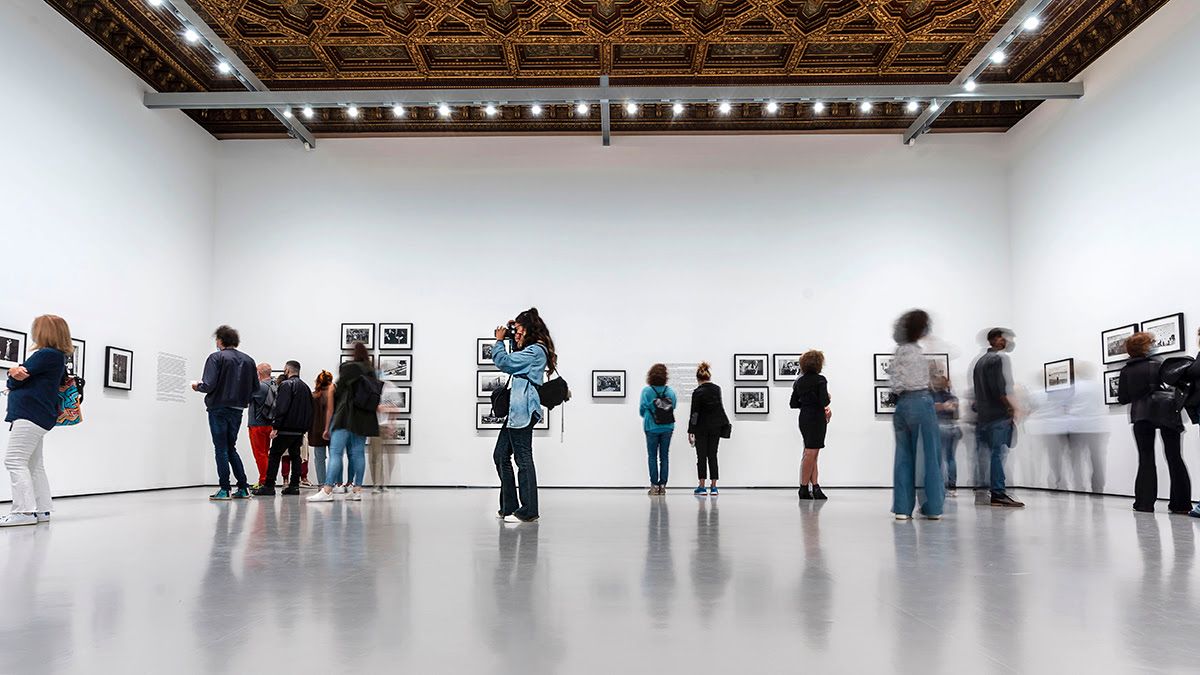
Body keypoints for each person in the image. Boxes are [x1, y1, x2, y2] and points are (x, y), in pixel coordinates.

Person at [1, 315, 70, 527]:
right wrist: (15, 373)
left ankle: (23, 512)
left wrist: (12, 373)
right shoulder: (57, 357)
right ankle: (42, 510)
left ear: (44, 332)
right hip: (40, 416)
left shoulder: (46, 354)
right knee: (34, 464)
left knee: (14, 460)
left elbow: (16, 379)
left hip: (30, 414)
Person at [491, 308, 556, 523]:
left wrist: (499, 341)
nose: (515, 333)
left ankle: (529, 510)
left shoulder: (536, 351)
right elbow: (515, 357)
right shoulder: (530, 350)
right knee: (500, 455)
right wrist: (512, 337)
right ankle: (510, 506)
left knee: (523, 459)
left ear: (528, 328)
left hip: (523, 410)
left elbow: (506, 363)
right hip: (515, 411)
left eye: (519, 329)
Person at [1117, 332, 1190, 513]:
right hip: (1167, 413)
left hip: (1141, 415)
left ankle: (1144, 503)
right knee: (1174, 457)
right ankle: (1180, 505)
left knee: (1146, 458)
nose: (1154, 345)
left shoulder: (1126, 370)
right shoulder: (1160, 365)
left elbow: (1123, 398)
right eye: (1152, 342)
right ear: (1145, 347)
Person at [889, 310, 945, 520]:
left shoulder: (899, 352)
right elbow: (925, 382)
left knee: (903, 457)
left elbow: (896, 384)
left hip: (902, 406)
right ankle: (932, 507)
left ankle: (902, 509)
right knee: (929, 456)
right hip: (921, 403)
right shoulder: (918, 354)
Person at [192, 325, 259, 501]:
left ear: (220, 340)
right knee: (230, 448)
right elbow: (255, 388)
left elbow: (209, 384)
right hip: (237, 409)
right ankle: (243, 488)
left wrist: (197, 386)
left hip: (218, 408)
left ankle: (224, 488)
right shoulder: (249, 360)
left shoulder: (216, 358)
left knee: (221, 448)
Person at [308, 344, 379, 503]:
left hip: (344, 417)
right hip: (363, 419)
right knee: (358, 453)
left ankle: (327, 490)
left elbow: (336, 394)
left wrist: (327, 427)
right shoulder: (371, 370)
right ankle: (357, 490)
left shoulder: (347, 367)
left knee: (336, 453)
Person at [972, 327, 1024, 508]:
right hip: (997, 416)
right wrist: (1014, 407)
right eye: (1004, 338)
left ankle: (982, 494)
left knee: (983, 455)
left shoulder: (979, 362)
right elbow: (1000, 389)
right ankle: (998, 494)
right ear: (994, 339)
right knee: (998, 454)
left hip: (983, 417)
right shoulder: (999, 359)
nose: (1007, 342)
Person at [253, 361, 313, 496]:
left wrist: (276, 426)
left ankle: (269, 485)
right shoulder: (305, 387)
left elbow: (281, 407)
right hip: (299, 430)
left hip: (285, 428)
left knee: (274, 455)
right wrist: (305, 428)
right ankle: (294, 486)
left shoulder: (286, 385)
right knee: (295, 456)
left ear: (287, 369)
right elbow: (310, 409)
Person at [791, 350, 832, 500]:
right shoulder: (820, 379)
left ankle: (815, 487)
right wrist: (827, 397)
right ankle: (803, 488)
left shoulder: (799, 381)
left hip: (804, 417)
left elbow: (793, 403)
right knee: (811, 453)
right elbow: (824, 401)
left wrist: (807, 400)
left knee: (812, 453)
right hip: (816, 418)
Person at [688, 362, 729, 496]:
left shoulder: (697, 392)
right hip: (716, 427)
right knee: (713, 455)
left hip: (701, 428)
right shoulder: (717, 389)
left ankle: (701, 486)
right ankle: (714, 487)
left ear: (698, 379)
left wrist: (690, 430)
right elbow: (719, 407)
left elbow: (695, 413)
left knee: (701, 457)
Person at [639, 363, 677, 496]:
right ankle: (663, 486)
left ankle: (654, 486)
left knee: (652, 456)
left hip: (651, 427)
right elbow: (674, 406)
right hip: (668, 427)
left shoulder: (646, 391)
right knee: (664, 456)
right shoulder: (670, 391)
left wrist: (651, 412)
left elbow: (642, 410)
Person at [932, 374, 962, 497]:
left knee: (939, 458)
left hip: (940, 427)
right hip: (954, 427)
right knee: (950, 458)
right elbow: (957, 415)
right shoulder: (952, 398)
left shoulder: (931, 397)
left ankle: (941, 485)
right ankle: (952, 487)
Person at [247, 363, 274, 489]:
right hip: (268, 425)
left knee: (260, 454)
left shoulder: (260, 386)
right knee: (265, 454)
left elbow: (245, 399)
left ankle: (264, 481)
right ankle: (265, 479)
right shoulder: (274, 384)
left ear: (260, 373)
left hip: (257, 425)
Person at [307, 369, 334, 490]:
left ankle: (321, 484)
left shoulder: (313, 396)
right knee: (334, 458)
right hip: (333, 430)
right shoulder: (333, 396)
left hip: (316, 431)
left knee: (319, 459)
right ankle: (332, 483)